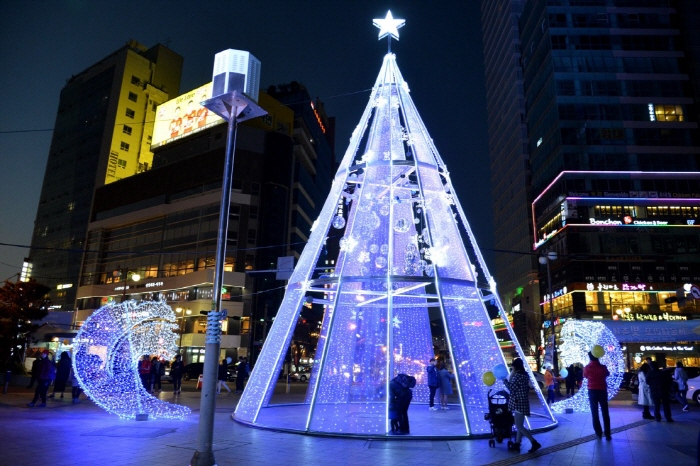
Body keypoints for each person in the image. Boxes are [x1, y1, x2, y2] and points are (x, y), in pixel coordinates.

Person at [502, 358, 541, 453]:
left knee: (519, 425)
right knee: (520, 425)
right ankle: (517, 444)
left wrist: (504, 381)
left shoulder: (517, 376)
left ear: (515, 367)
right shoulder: (524, 375)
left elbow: (512, 388)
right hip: (522, 402)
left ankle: (534, 442)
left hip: (518, 402)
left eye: (513, 366)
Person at [584, 351, 611, 439]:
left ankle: (598, 433)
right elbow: (607, 374)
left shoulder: (587, 368)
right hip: (602, 390)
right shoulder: (603, 367)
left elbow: (585, 376)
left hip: (592, 391)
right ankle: (607, 434)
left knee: (594, 412)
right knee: (605, 412)